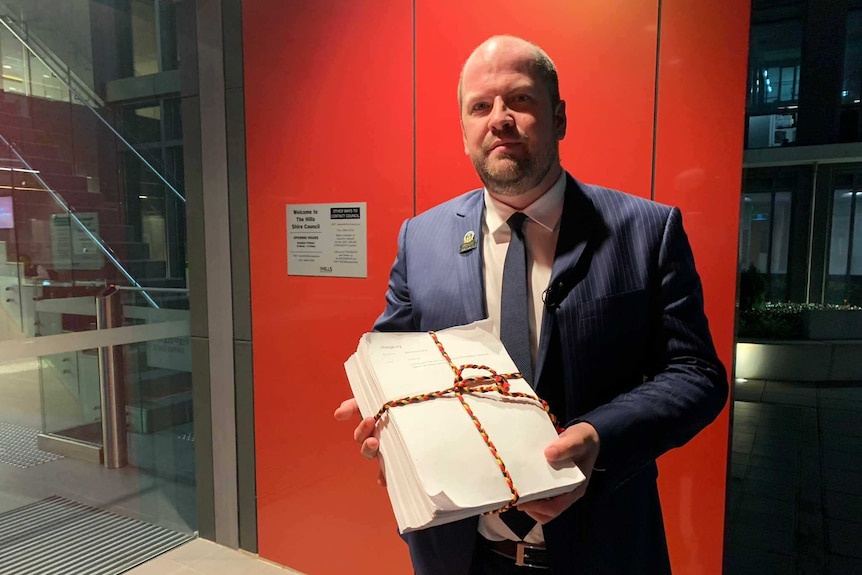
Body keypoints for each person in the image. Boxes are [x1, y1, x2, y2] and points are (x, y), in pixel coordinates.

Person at [334, 35, 727, 575]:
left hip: (605, 548)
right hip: (460, 555)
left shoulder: (646, 230)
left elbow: (696, 373)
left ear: (559, 117)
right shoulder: (419, 240)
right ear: (465, 130)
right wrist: (384, 411)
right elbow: (395, 358)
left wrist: (598, 439)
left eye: (519, 100)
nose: (499, 119)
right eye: (480, 106)